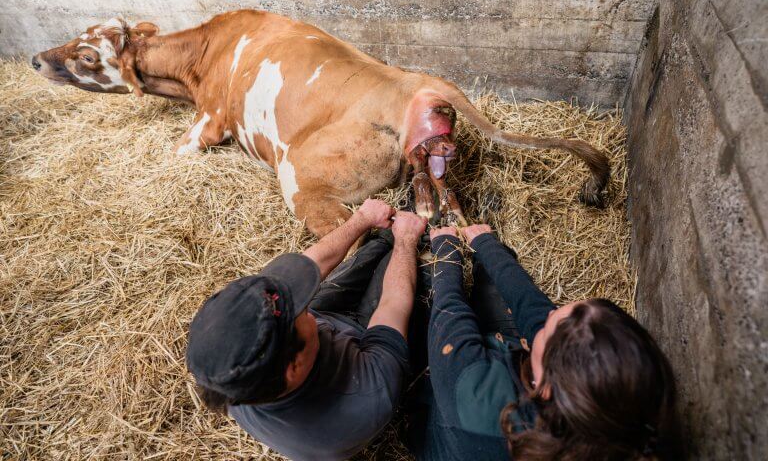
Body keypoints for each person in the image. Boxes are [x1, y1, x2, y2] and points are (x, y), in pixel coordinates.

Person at [407, 223, 681, 461]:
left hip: (450, 420)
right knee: (497, 276)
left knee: (422, 295)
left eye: (551, 324)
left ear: (547, 387)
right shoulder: (608, 415)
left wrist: (445, 250)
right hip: (505, 373)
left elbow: (449, 310)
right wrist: (485, 243)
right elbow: (533, 310)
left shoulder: (479, 394)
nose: (548, 314)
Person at [185, 199, 428, 461]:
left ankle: (384, 240)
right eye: (301, 312)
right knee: (411, 265)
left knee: (372, 251)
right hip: (366, 347)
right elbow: (393, 305)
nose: (307, 309)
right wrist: (406, 241)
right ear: (294, 365)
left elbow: (312, 265)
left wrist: (363, 218)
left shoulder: (224, 372)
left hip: (327, 333)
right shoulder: (366, 397)